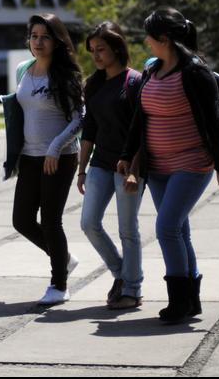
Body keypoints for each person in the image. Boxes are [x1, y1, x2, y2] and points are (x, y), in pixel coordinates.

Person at [118, 8, 219, 324]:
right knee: (179, 229)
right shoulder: (151, 70)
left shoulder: (196, 73)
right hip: (157, 165)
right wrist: (127, 156)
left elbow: (214, 120)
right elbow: (139, 119)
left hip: (192, 162)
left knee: (166, 227)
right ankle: (191, 300)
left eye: (150, 36)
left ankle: (178, 301)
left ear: (166, 39)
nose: (145, 41)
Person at [11, 13, 85, 306]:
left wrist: (55, 147)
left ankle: (59, 284)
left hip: (59, 157)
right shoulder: (23, 70)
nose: (38, 42)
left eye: (45, 36)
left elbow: (81, 118)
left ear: (57, 41)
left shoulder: (65, 75)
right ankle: (64, 258)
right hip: (29, 157)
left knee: (51, 221)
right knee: (22, 220)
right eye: (34, 36)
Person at [78, 22, 145, 309]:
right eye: (92, 50)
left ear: (117, 47)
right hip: (100, 164)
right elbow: (88, 130)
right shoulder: (93, 85)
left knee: (127, 229)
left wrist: (133, 169)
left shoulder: (135, 82)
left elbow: (144, 130)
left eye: (101, 49)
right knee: (89, 223)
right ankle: (122, 273)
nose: (96, 55)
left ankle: (131, 290)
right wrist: (81, 169)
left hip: (128, 166)